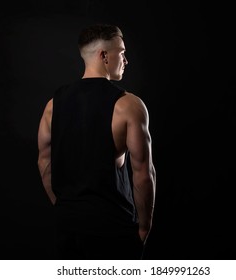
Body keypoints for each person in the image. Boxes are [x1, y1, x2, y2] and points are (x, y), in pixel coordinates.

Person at [37, 23, 156, 260]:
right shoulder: (129, 106)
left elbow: (44, 161)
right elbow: (143, 172)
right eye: (121, 52)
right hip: (113, 228)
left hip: (67, 227)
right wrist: (144, 226)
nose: (126, 60)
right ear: (104, 55)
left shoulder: (53, 105)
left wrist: (64, 208)